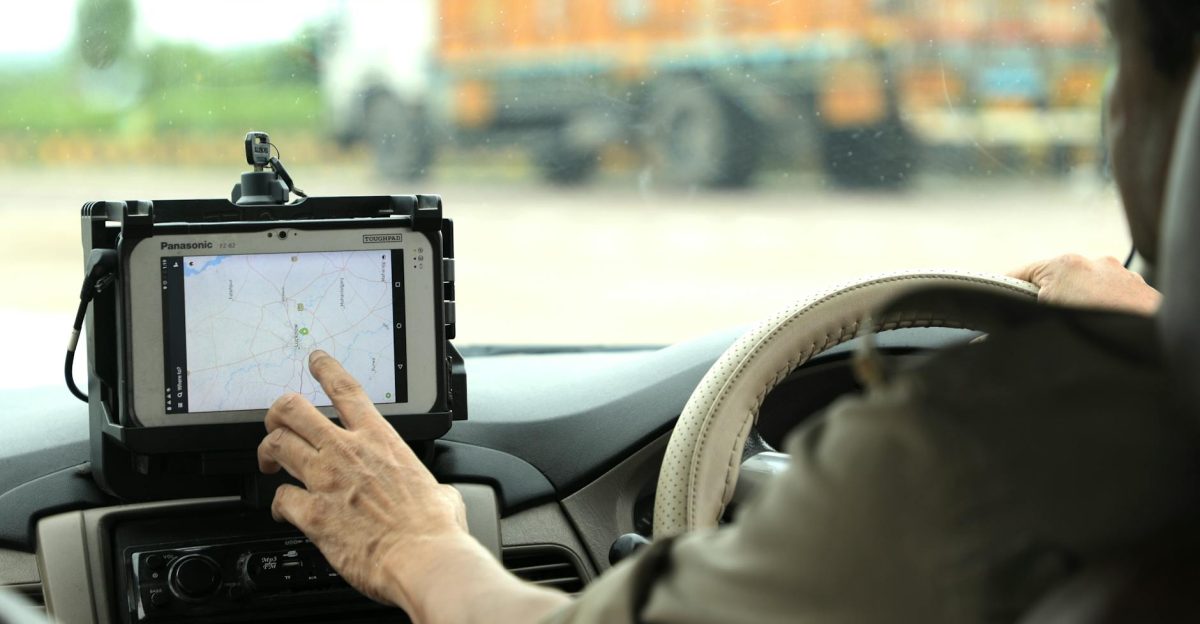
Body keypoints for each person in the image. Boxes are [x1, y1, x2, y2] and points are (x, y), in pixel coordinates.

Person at [256, 1, 1200, 622]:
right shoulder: (1158, 393)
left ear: (1171, 118)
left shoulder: (960, 457)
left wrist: (415, 545)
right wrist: (1165, 325)